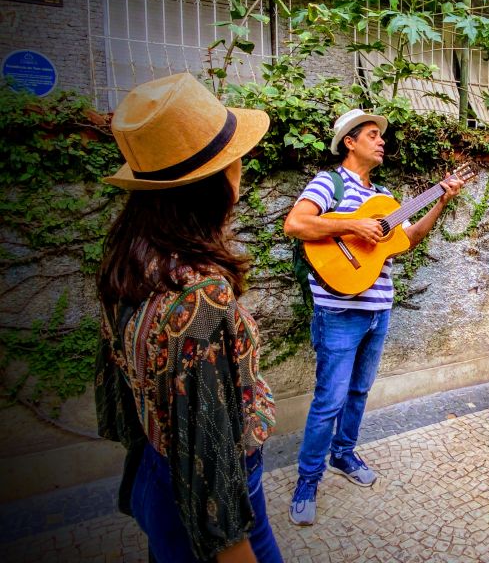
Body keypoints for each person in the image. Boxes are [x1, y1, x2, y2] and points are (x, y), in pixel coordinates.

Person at [95, 73, 281, 562]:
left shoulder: (132, 262)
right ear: (214, 181)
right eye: (232, 158)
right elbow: (211, 451)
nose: (240, 166)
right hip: (212, 494)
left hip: (158, 469)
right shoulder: (199, 293)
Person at [283, 108, 465, 526]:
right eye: (371, 134)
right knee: (329, 400)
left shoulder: (384, 196)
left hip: (377, 310)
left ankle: (343, 455)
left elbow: (410, 238)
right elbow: (296, 224)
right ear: (350, 142)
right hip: (338, 311)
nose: (381, 140)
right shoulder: (328, 182)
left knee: (360, 392)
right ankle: (307, 480)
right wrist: (351, 227)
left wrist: (440, 200)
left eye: (381, 136)